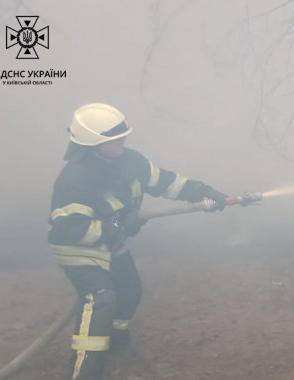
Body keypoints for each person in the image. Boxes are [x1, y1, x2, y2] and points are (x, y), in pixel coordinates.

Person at [48, 103, 228, 380]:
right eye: (115, 138)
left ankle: (114, 340)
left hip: (112, 242)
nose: (123, 140)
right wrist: (118, 226)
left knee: (130, 288)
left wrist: (203, 192)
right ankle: (85, 369)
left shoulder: (130, 160)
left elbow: (166, 182)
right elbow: (69, 231)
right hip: (79, 251)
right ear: (93, 145)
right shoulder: (75, 180)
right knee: (101, 299)